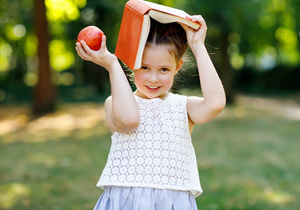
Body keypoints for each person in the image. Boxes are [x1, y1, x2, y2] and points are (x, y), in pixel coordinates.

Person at [76, 15, 226, 210]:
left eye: (164, 69)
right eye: (145, 67)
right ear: (132, 64)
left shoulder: (184, 107)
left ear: (177, 67)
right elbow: (130, 121)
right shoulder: (115, 103)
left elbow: (215, 103)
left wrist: (198, 46)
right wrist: (112, 65)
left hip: (172, 203)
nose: (153, 78)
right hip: (126, 202)